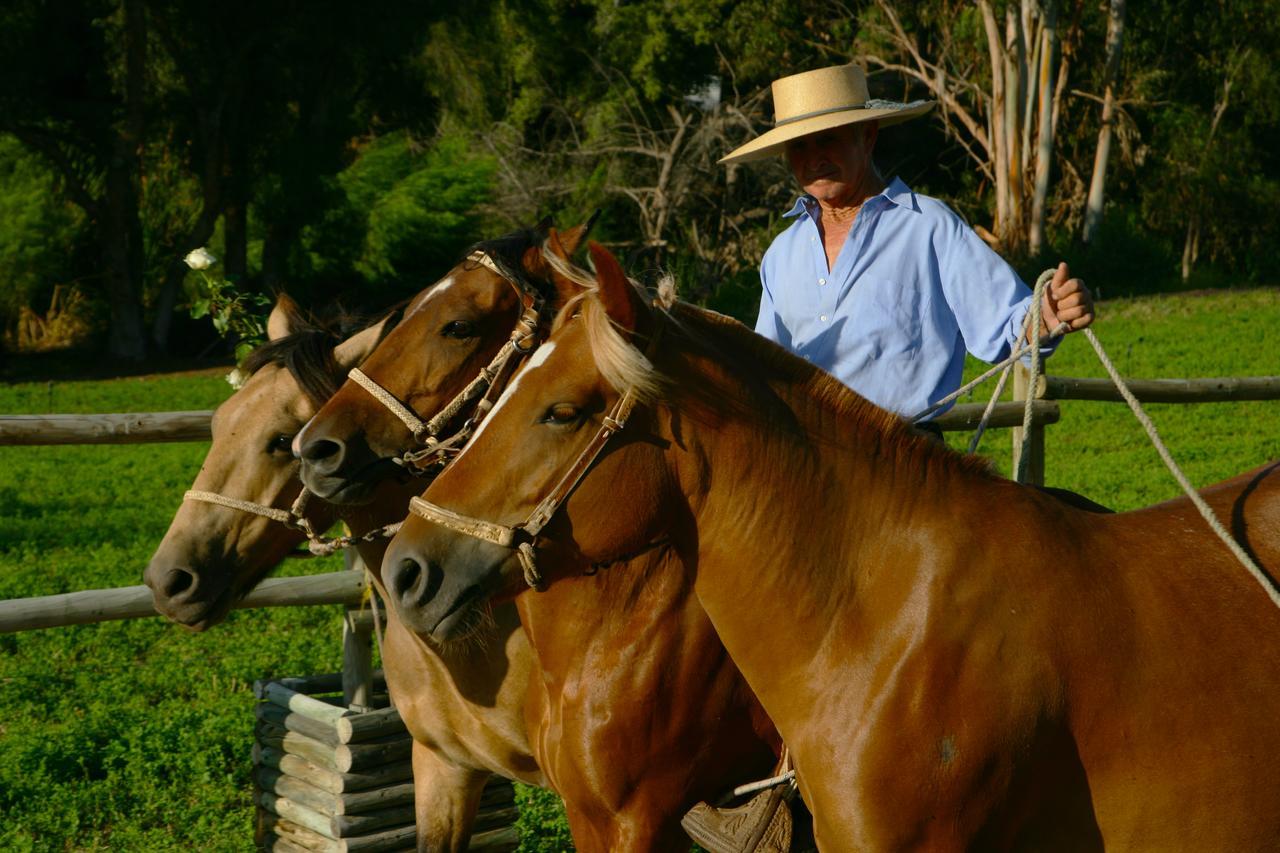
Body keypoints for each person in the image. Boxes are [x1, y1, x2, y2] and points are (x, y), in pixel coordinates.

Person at [719, 64, 1095, 425]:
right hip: (811, 470)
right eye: (799, 146)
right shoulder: (781, 254)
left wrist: (1047, 316)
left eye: (828, 139)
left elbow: (1008, 325)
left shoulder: (929, 227)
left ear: (867, 136)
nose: (814, 158)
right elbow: (765, 367)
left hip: (908, 465)